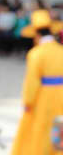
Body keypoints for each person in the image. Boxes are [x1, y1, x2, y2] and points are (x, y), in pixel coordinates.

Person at [11, 10, 63, 155]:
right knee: (60, 133)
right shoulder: (61, 50)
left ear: (37, 34)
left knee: (43, 133)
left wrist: (28, 102)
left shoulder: (36, 53)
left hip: (45, 97)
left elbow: (32, 82)